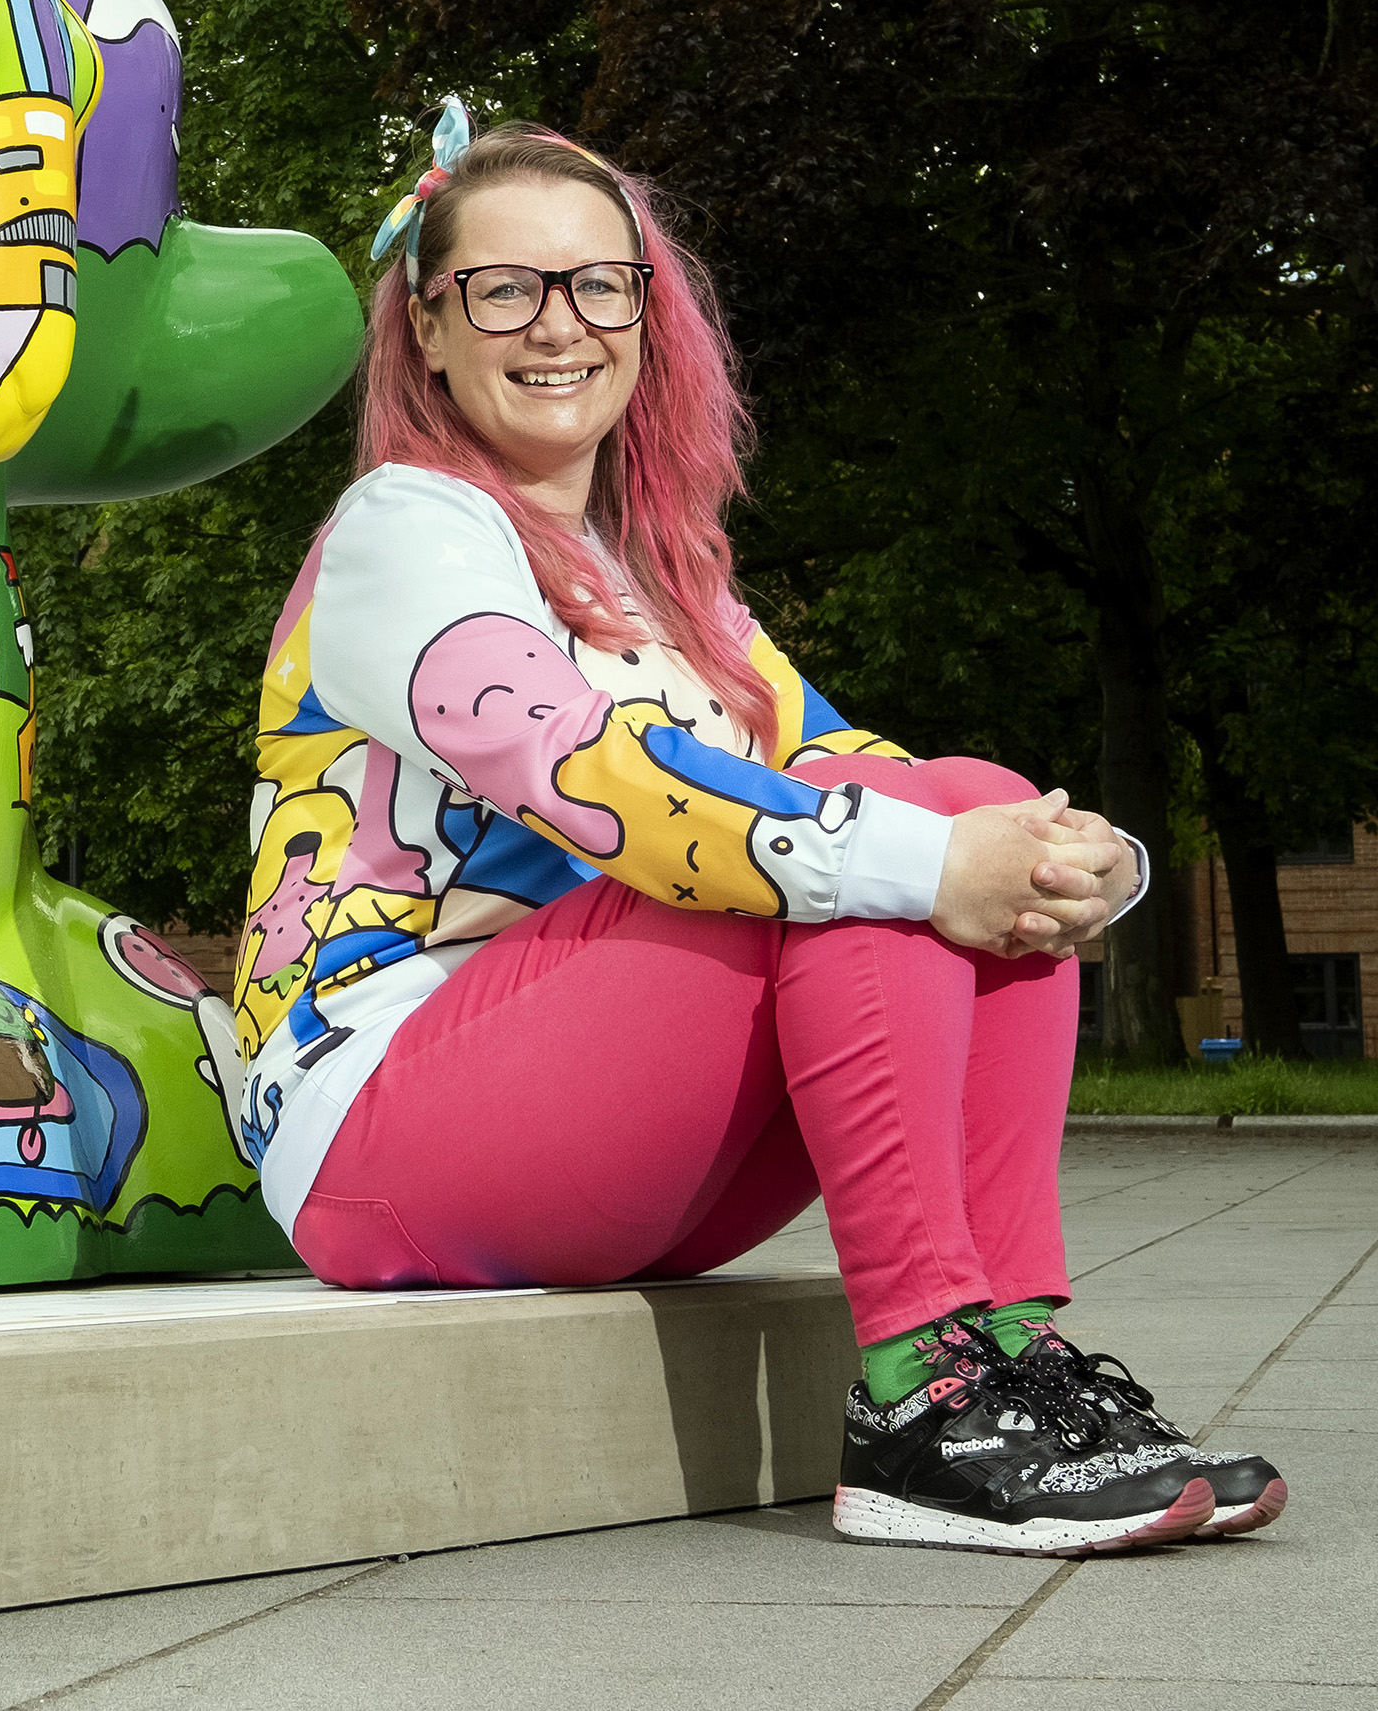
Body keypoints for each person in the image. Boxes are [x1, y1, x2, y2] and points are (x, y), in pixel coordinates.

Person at [236, 103, 1286, 1557]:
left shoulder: (661, 582)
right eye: (504, 288)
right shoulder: (406, 530)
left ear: (644, 316)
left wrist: (1081, 858)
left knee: (962, 793)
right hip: (386, 1121)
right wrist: (939, 854)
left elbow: (870, 769)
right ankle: (921, 1404)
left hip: (599, 1120)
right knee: (901, 840)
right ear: (426, 325)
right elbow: (596, 772)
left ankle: (1008, 1370)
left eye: (600, 284)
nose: (560, 325)